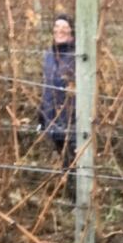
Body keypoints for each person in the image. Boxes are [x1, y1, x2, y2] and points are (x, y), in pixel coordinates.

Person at [38, 14, 76, 172]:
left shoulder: (78, 57)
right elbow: (46, 88)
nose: (60, 31)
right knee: (64, 163)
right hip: (52, 119)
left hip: (71, 122)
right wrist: (41, 115)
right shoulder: (48, 56)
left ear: (72, 32)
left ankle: (76, 193)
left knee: (74, 162)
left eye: (64, 27)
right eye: (57, 27)